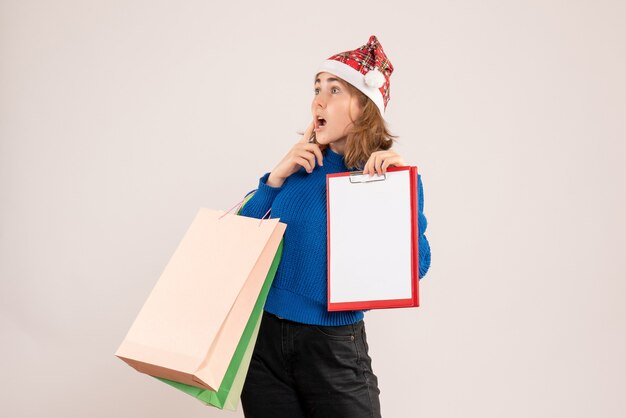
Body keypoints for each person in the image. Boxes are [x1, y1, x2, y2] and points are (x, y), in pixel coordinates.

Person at [239, 35, 431, 418]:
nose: (318, 101)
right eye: (316, 89)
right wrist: (274, 178)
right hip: (264, 345)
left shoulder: (385, 177)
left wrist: (395, 194)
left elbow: (417, 266)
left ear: (364, 107)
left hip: (333, 346)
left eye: (334, 89)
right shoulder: (299, 167)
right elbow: (239, 241)